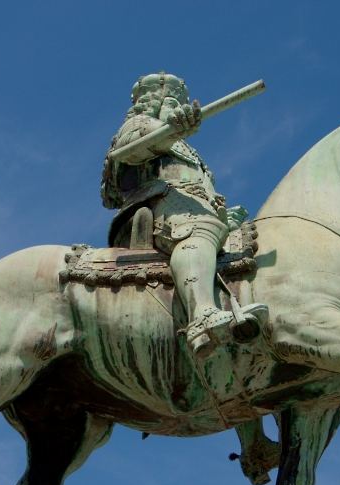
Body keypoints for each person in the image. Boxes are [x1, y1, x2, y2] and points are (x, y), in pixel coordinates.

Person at [101, 72, 266, 359]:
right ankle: (201, 316)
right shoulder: (139, 124)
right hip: (155, 209)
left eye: (181, 101)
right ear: (154, 102)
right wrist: (168, 132)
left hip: (196, 210)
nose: (180, 106)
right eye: (172, 100)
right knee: (199, 231)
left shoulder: (188, 148)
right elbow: (129, 153)